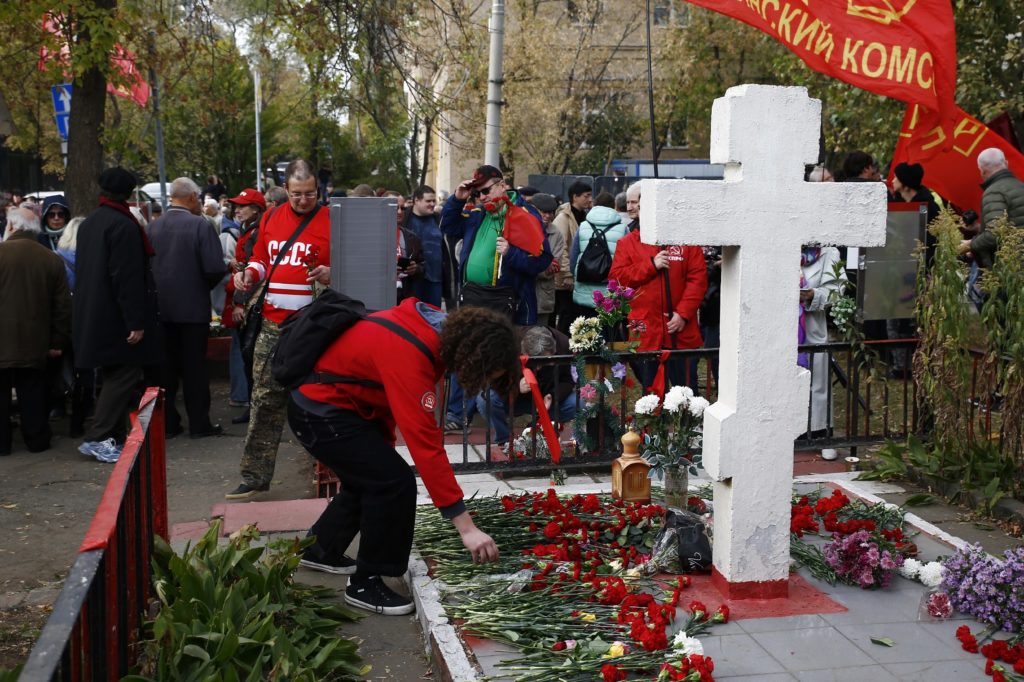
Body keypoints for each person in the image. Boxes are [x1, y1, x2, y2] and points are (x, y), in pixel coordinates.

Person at [290, 302, 515, 614]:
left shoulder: (432, 329)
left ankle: (320, 550)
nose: (482, 382)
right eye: (485, 374)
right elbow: (426, 446)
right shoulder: (411, 354)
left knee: (372, 476)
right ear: (474, 357)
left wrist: (383, 450)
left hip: (335, 405)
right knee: (394, 483)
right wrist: (466, 528)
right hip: (319, 411)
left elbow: (384, 398)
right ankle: (366, 583)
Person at [228, 160, 331, 500]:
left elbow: (351, 267)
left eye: (310, 194)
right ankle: (255, 476)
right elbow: (261, 260)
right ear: (286, 190)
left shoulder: (332, 220)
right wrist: (249, 274)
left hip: (314, 326)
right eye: (297, 194)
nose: (303, 200)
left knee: (322, 400)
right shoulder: (272, 217)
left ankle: (331, 472)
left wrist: (331, 273)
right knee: (264, 400)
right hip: (273, 323)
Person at [438, 164, 552, 431]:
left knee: (501, 356)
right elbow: (448, 226)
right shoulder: (478, 212)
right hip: (473, 296)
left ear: (502, 185)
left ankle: (500, 415)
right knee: (464, 351)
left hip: (507, 300)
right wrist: (457, 199)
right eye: (477, 192)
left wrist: (511, 253)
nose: (482, 196)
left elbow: (542, 261)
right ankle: (458, 413)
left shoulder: (525, 214)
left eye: (486, 190)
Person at [73, 167, 162, 462]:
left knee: (114, 373)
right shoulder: (123, 225)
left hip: (95, 311)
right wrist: (135, 321)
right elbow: (127, 277)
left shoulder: (89, 223)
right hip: (115, 315)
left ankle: (108, 434)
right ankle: (99, 436)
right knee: (124, 373)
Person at [608, 181, 707, 393]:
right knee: (651, 393)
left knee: (686, 392)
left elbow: (697, 279)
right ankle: (653, 415)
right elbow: (617, 279)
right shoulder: (627, 243)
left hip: (680, 331)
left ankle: (686, 415)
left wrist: (683, 314)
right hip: (645, 331)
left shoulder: (687, 243)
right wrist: (650, 266)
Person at [148, 177, 227, 439]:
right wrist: (200, 286)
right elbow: (214, 267)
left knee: (165, 370)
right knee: (195, 369)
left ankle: (169, 423)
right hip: (193, 310)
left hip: (161, 310)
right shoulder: (200, 226)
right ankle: (199, 423)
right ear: (193, 197)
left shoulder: (153, 227)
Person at [0, 207, 71, 455]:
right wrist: (57, 341)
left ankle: (2, 444)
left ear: (11, 226)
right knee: (32, 392)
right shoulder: (50, 259)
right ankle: (37, 440)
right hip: (35, 340)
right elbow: (62, 307)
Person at [475, 325, 576, 448]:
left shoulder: (564, 344)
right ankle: (505, 440)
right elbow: (493, 380)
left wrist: (553, 396)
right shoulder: (507, 344)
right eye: (533, 363)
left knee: (576, 402)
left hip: (545, 400)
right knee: (486, 399)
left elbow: (568, 380)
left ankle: (534, 430)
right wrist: (515, 387)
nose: (538, 368)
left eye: (545, 362)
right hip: (515, 398)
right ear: (523, 352)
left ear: (554, 351)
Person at [223, 188, 266, 419]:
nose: (237, 210)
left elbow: (252, 271)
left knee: (250, 357)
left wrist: (239, 303)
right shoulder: (248, 230)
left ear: (256, 210)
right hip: (248, 300)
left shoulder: (255, 233)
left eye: (243, 206)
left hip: (250, 303)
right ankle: (253, 407)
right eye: (236, 206)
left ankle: (254, 409)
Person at [799, 246, 845, 458]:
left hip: (812, 330)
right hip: (781, 327)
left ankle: (821, 434)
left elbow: (837, 290)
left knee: (818, 381)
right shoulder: (779, 244)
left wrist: (811, 295)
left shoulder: (828, 252)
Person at [960, 147, 1024, 269]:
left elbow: (995, 235)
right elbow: (1014, 223)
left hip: (1015, 266)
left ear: (982, 172)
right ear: (1006, 163)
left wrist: (970, 245)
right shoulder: (1020, 185)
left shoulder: (993, 193)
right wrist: (978, 227)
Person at [569, 191, 628, 317]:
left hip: (584, 289)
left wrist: (576, 275)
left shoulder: (583, 226)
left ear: (595, 205)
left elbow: (573, 259)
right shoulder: (623, 229)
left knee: (586, 326)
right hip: (610, 293)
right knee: (609, 327)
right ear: (614, 206)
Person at [551, 180, 593, 334]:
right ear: (575, 197)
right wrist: (567, 274)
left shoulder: (585, 216)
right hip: (565, 280)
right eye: (586, 196)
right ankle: (563, 344)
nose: (590, 199)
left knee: (575, 315)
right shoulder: (563, 218)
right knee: (566, 315)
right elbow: (561, 248)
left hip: (578, 278)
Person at [404, 185, 445, 307]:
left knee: (434, 315)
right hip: (413, 280)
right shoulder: (405, 219)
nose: (432, 204)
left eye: (434, 201)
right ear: (416, 200)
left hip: (435, 279)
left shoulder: (438, 219)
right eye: (428, 201)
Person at [530, 193, 562, 326]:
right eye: (543, 212)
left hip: (543, 295)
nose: (548, 216)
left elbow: (554, 266)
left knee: (541, 332)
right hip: (521, 293)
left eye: (551, 212)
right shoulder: (523, 229)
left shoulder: (556, 233)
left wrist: (528, 267)